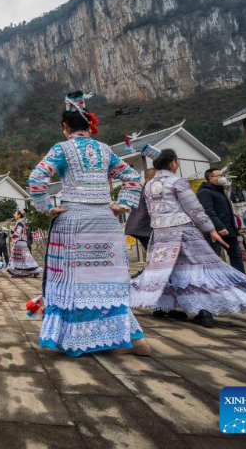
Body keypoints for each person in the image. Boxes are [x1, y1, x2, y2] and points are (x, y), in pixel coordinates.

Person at [27, 91, 149, 357]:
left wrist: (47, 207)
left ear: (65, 126)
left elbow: (36, 178)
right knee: (107, 280)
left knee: (73, 282)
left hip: (74, 220)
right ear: (89, 125)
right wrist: (123, 204)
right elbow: (133, 177)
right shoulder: (105, 150)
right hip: (105, 220)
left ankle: (77, 339)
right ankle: (132, 338)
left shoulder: (61, 149)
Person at [131, 146, 246, 327]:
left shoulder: (149, 186)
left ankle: (164, 306)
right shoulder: (177, 182)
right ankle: (204, 311)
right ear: (173, 163)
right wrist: (211, 229)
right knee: (199, 269)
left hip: (160, 235)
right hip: (184, 232)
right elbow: (195, 209)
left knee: (166, 271)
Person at [197, 168, 244, 273]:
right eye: (219, 176)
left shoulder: (222, 191)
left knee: (236, 255)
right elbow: (208, 211)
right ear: (211, 178)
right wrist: (219, 227)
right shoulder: (204, 192)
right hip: (215, 231)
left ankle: (241, 278)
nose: (222, 178)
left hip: (229, 230)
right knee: (214, 258)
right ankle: (215, 280)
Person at [7, 209, 42, 278]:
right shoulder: (21, 222)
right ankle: (29, 271)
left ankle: (23, 271)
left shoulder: (20, 223)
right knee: (25, 257)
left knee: (19, 257)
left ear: (19, 215)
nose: (14, 215)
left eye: (15, 213)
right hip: (22, 242)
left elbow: (18, 232)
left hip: (19, 242)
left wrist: (12, 237)